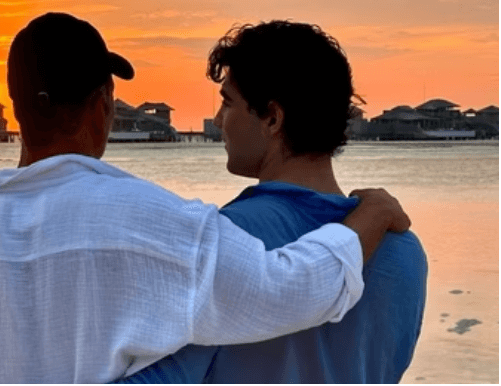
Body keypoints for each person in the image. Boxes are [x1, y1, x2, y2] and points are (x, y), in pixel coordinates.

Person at [0, 13, 412, 384]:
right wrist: (372, 214)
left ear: (16, 107)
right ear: (104, 105)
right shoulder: (156, 222)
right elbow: (289, 289)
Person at [115, 21, 428, 384]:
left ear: (272, 118)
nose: (217, 121)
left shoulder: (226, 242)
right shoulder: (406, 253)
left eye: (228, 103)